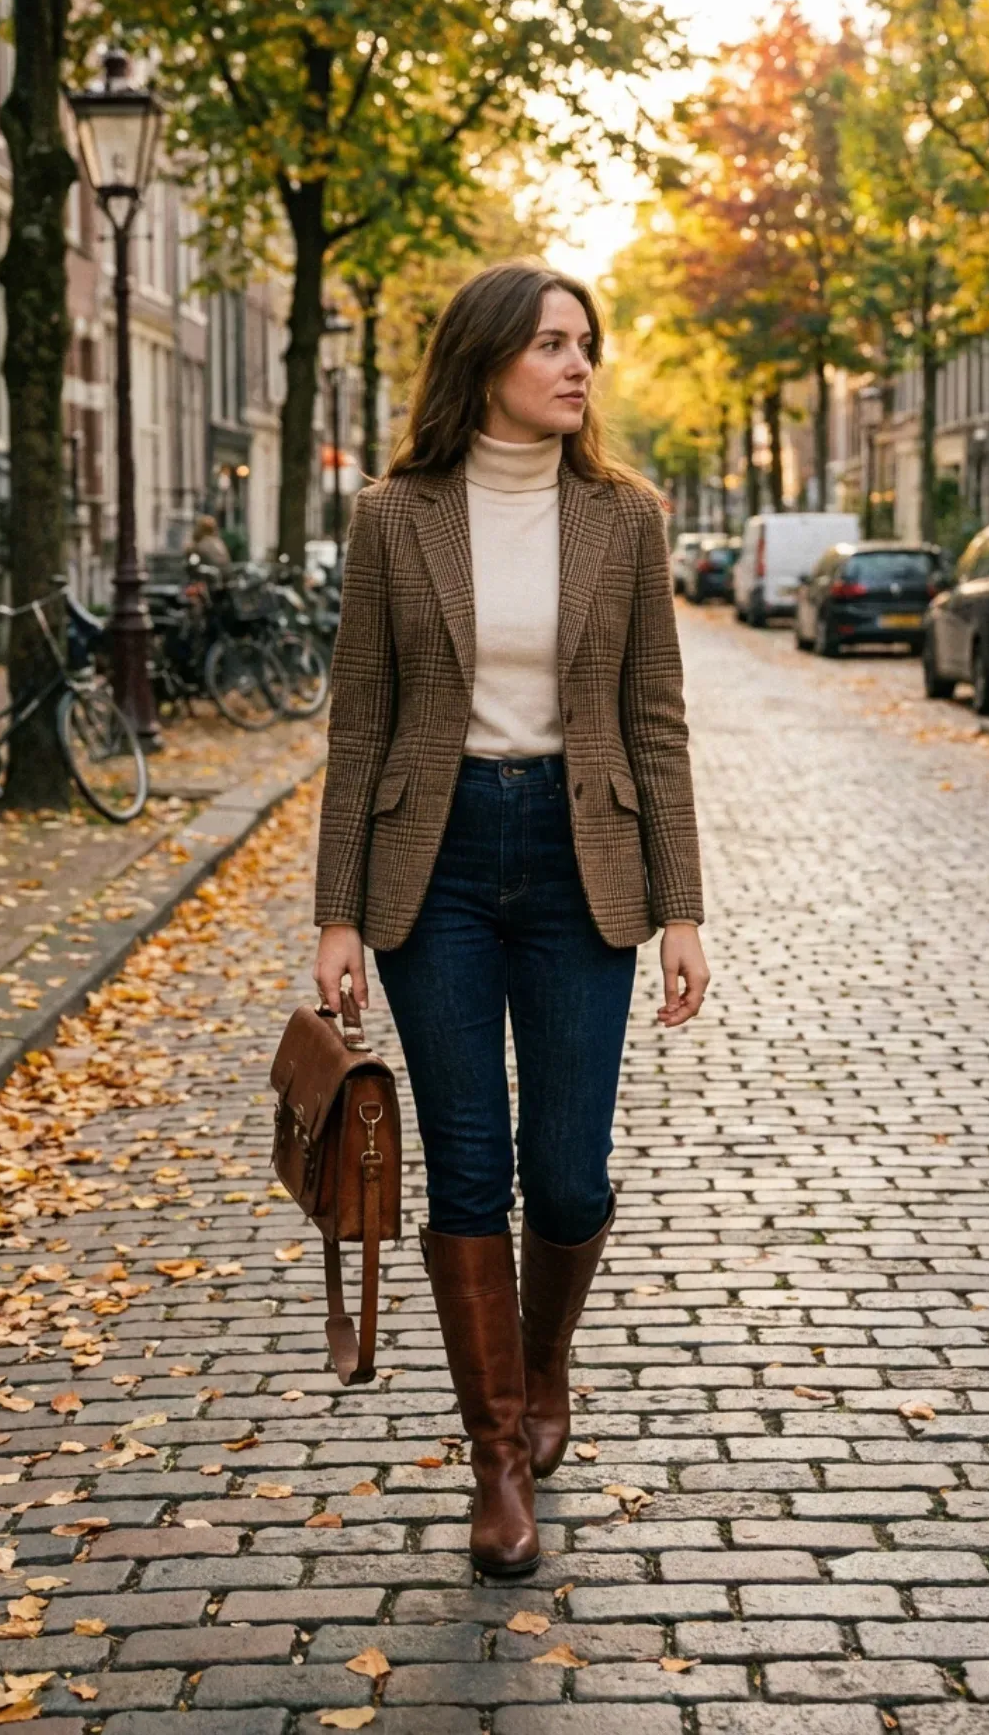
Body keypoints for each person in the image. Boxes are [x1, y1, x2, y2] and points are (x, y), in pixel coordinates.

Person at [312, 260, 709, 1579]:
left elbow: (656, 720)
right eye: (551, 343)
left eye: (586, 343)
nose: (578, 363)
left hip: (579, 854)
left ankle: (547, 1369)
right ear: (486, 360)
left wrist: (684, 912)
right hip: (436, 867)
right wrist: (337, 917)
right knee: (471, 1165)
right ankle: (495, 1454)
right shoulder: (396, 517)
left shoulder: (625, 518)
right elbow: (361, 721)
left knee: (573, 1168)